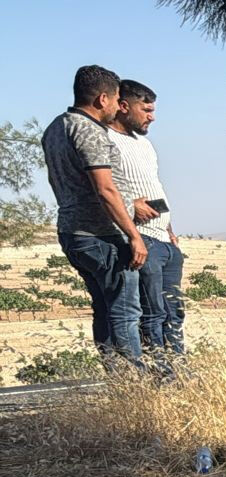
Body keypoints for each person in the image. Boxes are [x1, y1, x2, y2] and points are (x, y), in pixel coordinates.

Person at [41, 65, 148, 370]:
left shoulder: (55, 128)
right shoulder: (88, 130)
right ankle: (134, 384)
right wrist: (133, 234)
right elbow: (104, 189)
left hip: (72, 231)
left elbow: (64, 180)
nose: (118, 107)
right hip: (101, 235)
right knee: (126, 310)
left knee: (104, 307)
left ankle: (116, 378)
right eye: (116, 100)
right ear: (103, 99)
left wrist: (130, 202)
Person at [108, 79, 184, 363]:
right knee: (152, 313)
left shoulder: (146, 144)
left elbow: (154, 187)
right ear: (124, 106)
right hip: (140, 237)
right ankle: (160, 373)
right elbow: (104, 189)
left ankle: (178, 367)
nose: (151, 116)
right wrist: (130, 208)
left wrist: (170, 230)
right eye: (146, 110)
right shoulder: (105, 139)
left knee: (174, 311)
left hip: (164, 239)